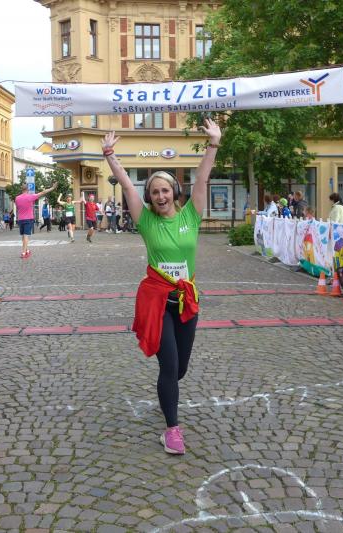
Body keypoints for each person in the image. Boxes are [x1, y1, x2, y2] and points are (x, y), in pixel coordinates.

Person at [101, 118, 221, 455]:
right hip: (158, 302)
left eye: (165, 190)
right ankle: (172, 431)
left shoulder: (190, 216)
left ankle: (166, 395)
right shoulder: (146, 221)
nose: (160, 196)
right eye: (154, 192)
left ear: (175, 192)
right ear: (150, 198)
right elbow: (127, 186)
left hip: (186, 301)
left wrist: (213, 143)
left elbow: (202, 178)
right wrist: (110, 155)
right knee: (169, 366)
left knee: (180, 368)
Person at [14, 182, 57, 258]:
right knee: (26, 236)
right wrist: (52, 188)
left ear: (21, 189)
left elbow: (18, 208)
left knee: (23, 236)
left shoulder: (17, 198)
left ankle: (27, 250)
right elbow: (43, 192)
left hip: (20, 219)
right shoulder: (30, 196)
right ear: (28, 189)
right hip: (28, 218)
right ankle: (23, 253)